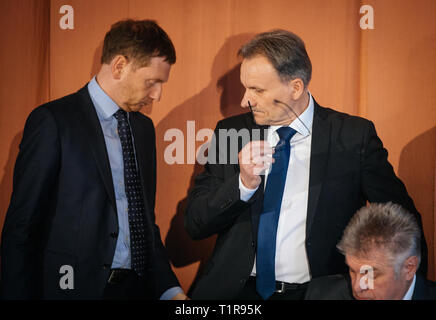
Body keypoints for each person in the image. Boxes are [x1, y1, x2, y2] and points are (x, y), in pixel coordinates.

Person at [184, 29, 427, 300]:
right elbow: (195, 224)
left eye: (257, 90)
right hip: (237, 294)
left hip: (319, 293)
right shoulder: (231, 132)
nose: (244, 100)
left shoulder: (352, 136)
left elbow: (404, 221)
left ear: (295, 87)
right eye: (245, 87)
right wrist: (242, 184)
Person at [1, 19, 187, 300]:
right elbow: (21, 229)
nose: (157, 95)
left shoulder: (144, 130)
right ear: (120, 66)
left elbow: (143, 223)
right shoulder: (53, 121)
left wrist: (171, 291)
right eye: (152, 82)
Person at [305, 202, 436, 300]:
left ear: (409, 268)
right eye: (352, 270)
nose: (357, 288)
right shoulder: (322, 295)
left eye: (371, 274)